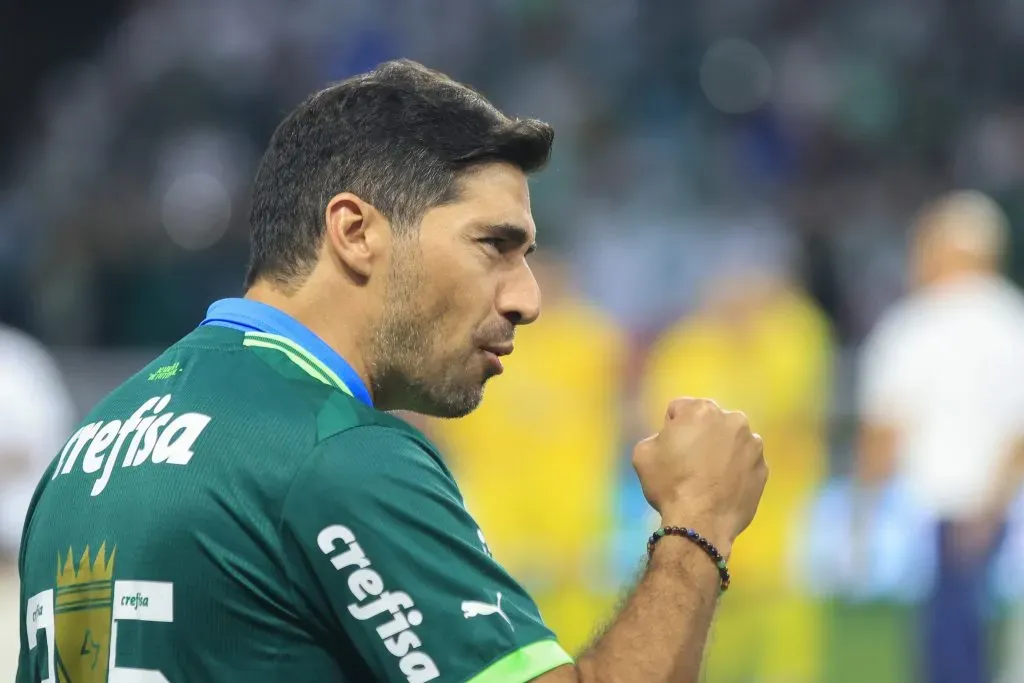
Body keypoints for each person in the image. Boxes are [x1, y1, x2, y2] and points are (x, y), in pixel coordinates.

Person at [16, 59, 767, 683]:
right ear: (356, 232)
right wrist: (697, 522)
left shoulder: (85, 451)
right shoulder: (332, 450)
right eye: (494, 245)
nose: (527, 298)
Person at [639, 247, 833, 683]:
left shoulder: (791, 336)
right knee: (704, 597)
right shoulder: (686, 347)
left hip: (783, 498)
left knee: (784, 600)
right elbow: (663, 418)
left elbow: (796, 407)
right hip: (705, 497)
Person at [856, 190, 1024, 683]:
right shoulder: (1013, 321)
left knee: (948, 655)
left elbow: (884, 431)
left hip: (944, 512)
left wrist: (862, 516)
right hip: (1001, 508)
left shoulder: (914, 325)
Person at [428, 254, 628, 653]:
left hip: (575, 498)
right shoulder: (484, 335)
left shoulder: (592, 337)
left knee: (582, 611)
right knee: (499, 603)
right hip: (499, 495)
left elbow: (620, 408)